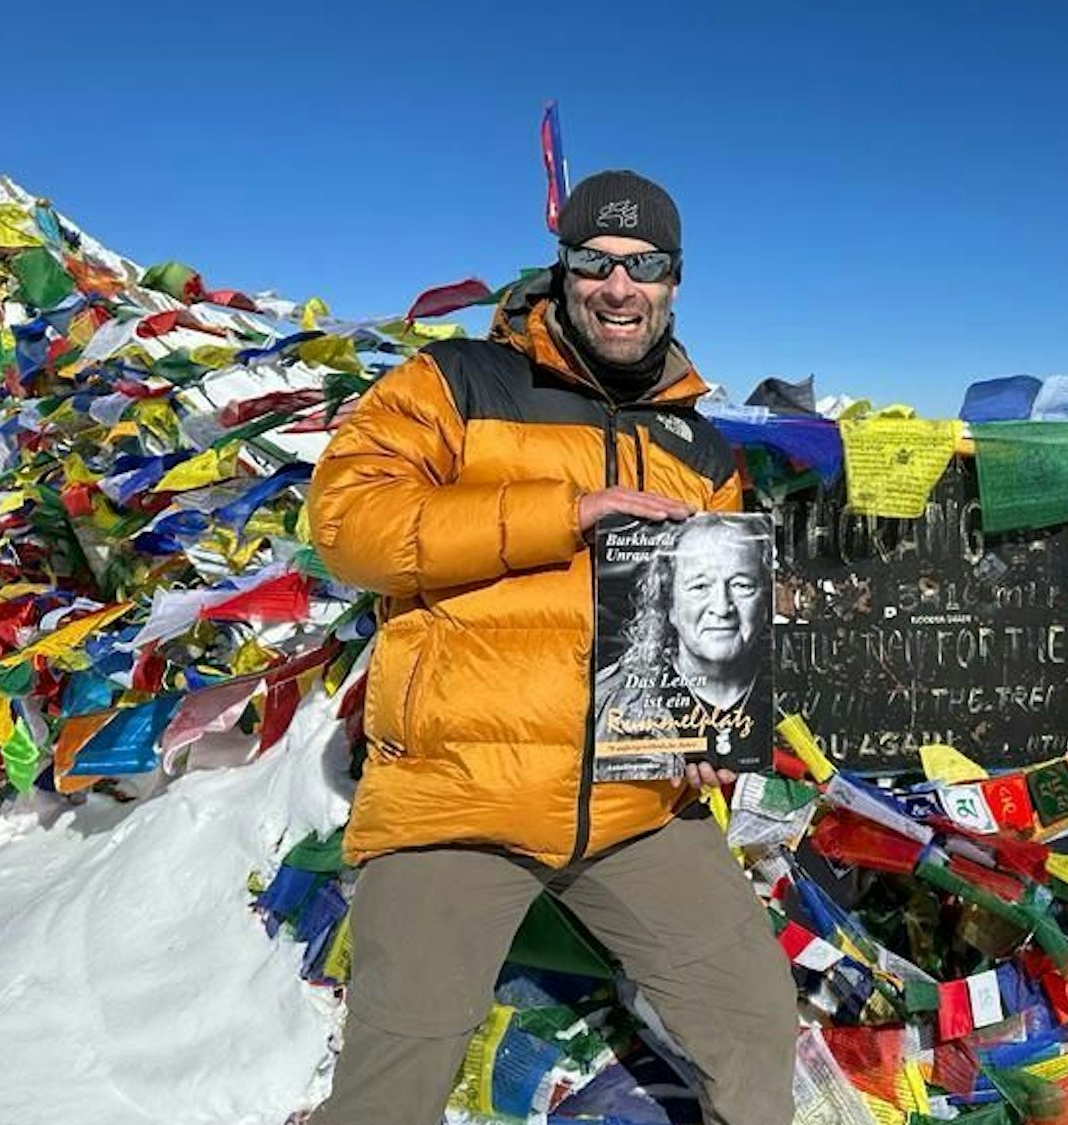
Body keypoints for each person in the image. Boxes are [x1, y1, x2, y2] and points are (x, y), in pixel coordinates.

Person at [305, 171, 797, 1125]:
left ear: (674, 280)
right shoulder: (454, 382)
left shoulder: (699, 446)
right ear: (564, 272)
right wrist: (567, 513)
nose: (620, 287)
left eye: (643, 265)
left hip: (634, 800)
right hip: (458, 791)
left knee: (754, 1017)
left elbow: (704, 620)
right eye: (597, 264)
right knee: (390, 1088)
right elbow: (348, 525)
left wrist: (708, 722)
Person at [592, 516, 771, 778]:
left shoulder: (799, 696)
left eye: (742, 585)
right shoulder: (607, 703)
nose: (722, 608)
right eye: (700, 586)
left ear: (766, 601)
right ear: (668, 604)